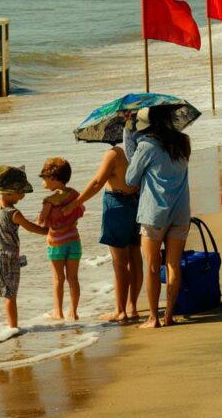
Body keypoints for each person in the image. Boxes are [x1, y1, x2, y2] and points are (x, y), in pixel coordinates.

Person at [63, 136, 143, 324]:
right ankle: (132, 307)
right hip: (137, 203)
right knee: (135, 256)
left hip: (117, 205)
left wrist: (76, 202)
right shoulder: (140, 150)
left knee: (119, 262)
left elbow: (98, 182)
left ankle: (120, 310)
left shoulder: (114, 153)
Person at [124, 106, 192, 328]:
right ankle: (169, 315)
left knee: (152, 266)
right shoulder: (183, 143)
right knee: (174, 265)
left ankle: (153, 317)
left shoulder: (146, 146)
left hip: (154, 213)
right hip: (180, 211)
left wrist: (128, 132)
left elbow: (130, 178)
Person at [0, 165, 49, 328]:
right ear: (9, 192)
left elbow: (26, 223)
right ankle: (14, 328)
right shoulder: (14, 213)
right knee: (11, 295)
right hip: (8, 257)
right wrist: (49, 231)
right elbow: (32, 227)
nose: (23, 196)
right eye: (20, 192)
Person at [37, 158, 85, 321]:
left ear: (53, 178)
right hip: (73, 239)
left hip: (56, 242)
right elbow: (81, 210)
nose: (43, 181)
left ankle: (58, 312)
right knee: (73, 278)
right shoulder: (74, 194)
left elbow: (41, 221)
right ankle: (74, 312)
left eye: (44, 178)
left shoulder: (49, 201)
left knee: (58, 278)